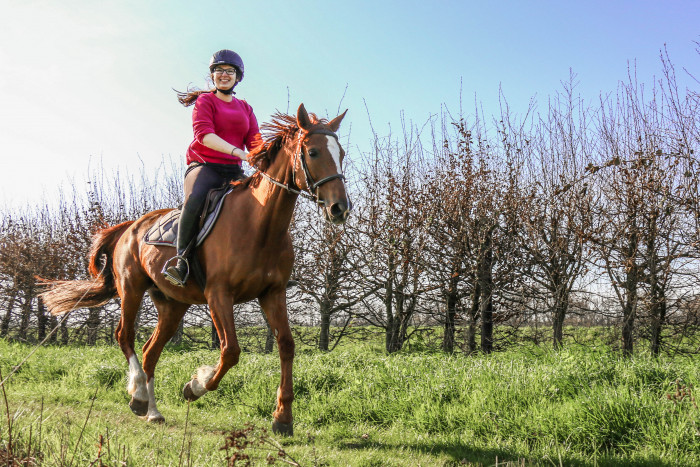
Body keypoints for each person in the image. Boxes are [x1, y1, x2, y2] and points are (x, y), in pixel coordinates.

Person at [164, 49, 263, 286]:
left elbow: (255, 142)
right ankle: (181, 263)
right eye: (219, 70)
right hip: (205, 166)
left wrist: (265, 158)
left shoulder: (245, 108)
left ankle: (266, 263)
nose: (224, 75)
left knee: (262, 204)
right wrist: (239, 152)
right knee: (195, 199)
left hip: (233, 171)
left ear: (238, 77)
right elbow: (204, 136)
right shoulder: (205, 101)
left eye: (229, 71)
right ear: (213, 76)